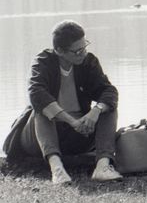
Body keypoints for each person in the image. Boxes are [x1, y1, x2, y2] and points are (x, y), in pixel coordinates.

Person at [2, 20, 122, 184]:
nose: (83, 53)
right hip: (40, 136)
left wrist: (96, 111)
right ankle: (57, 169)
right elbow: (36, 93)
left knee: (108, 107)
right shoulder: (43, 62)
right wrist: (70, 120)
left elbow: (109, 91)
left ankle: (102, 166)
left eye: (84, 47)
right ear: (59, 51)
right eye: (77, 51)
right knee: (42, 109)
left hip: (77, 132)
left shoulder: (88, 62)